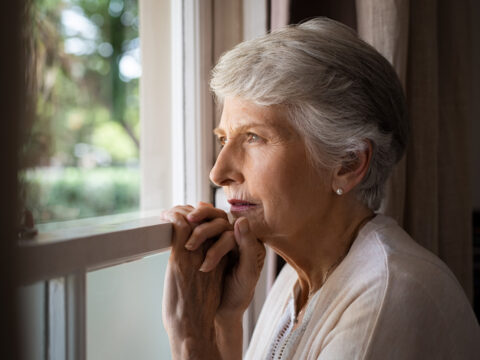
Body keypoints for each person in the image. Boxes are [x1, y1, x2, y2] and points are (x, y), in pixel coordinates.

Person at [160, 17, 479, 359]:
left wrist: (191, 339)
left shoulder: (390, 296)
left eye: (254, 137)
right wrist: (224, 318)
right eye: (224, 139)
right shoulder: (294, 283)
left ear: (348, 164)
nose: (218, 173)